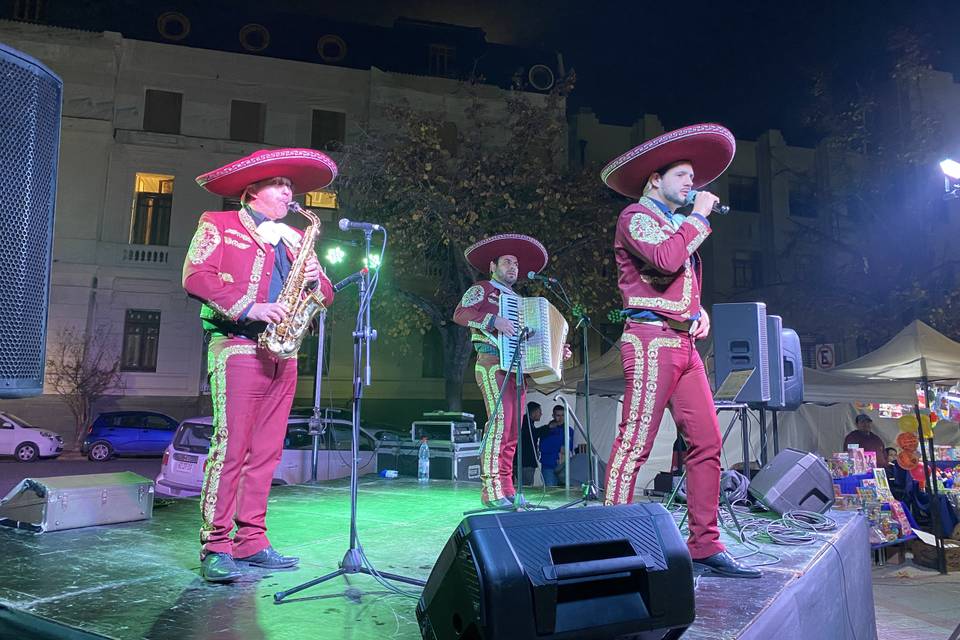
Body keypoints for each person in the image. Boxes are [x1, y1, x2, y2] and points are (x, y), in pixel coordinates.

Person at [599, 124, 760, 578]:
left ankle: (704, 545)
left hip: (684, 344)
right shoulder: (636, 217)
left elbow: (674, 279)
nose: (694, 184)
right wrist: (700, 218)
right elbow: (666, 260)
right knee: (635, 443)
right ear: (655, 179)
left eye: (694, 178)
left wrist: (698, 311)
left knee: (707, 443)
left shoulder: (675, 225)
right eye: (683, 175)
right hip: (650, 342)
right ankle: (610, 541)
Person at [183, 148, 337, 582]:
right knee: (230, 448)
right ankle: (216, 545)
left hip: (281, 353)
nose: (290, 193)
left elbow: (325, 295)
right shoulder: (219, 224)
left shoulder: (295, 237)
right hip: (237, 346)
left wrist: (314, 283)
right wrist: (251, 307)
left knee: (267, 454)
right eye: (281, 185)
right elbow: (196, 276)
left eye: (291, 187)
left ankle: (251, 540)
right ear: (253, 191)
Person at [452, 234, 571, 508]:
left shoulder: (521, 302)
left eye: (516, 264)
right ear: (493, 266)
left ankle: (506, 488)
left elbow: (534, 342)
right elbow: (460, 314)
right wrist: (493, 319)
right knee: (499, 426)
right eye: (507, 262)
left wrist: (558, 352)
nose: (513, 267)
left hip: (516, 373)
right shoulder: (483, 289)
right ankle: (491, 490)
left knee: (512, 433)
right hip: (492, 364)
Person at [537, 404, 575, 486]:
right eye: (558, 415)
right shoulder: (546, 430)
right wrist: (559, 447)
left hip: (563, 467)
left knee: (564, 492)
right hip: (549, 466)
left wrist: (558, 447)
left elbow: (569, 448)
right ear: (553, 415)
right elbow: (542, 447)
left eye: (563, 415)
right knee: (550, 492)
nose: (560, 418)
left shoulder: (569, 430)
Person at [517, 402, 542, 486]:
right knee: (527, 486)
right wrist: (547, 427)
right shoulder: (525, 423)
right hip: (525, 462)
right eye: (539, 412)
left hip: (524, 462)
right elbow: (531, 435)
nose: (541, 414)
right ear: (534, 412)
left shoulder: (527, 422)